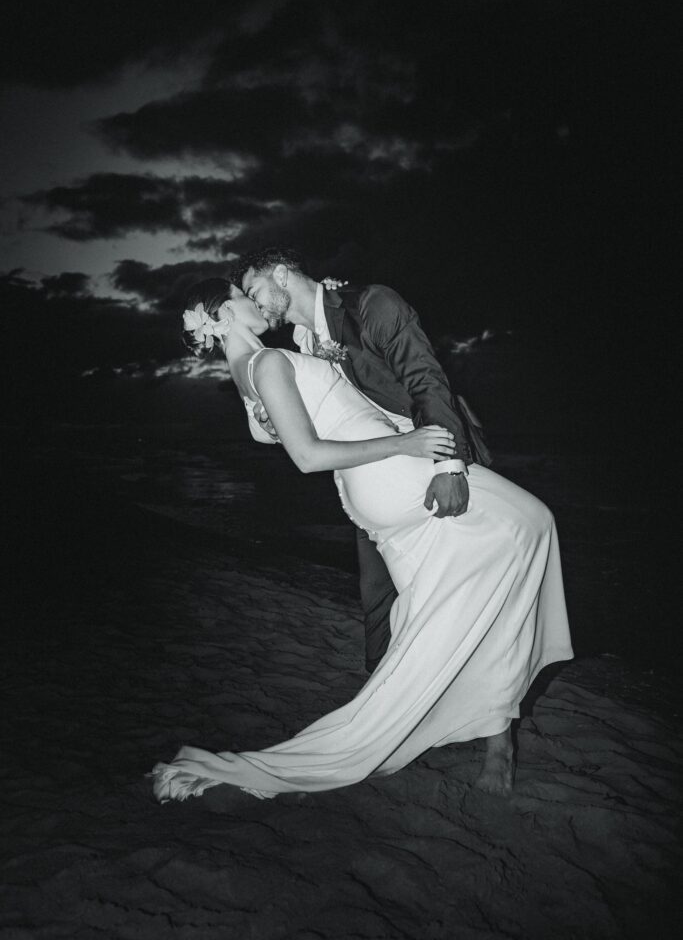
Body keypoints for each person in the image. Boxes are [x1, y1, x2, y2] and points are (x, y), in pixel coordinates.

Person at [149, 279, 573, 803]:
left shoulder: (251, 371)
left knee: (455, 602)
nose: (254, 302)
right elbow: (308, 455)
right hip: (393, 471)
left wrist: (317, 304)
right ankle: (473, 723)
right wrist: (410, 440)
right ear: (222, 313)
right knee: (530, 521)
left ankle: (485, 728)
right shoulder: (266, 365)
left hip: (372, 490)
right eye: (243, 295)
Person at [239, 246, 491, 673]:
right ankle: (381, 691)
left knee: (468, 581)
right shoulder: (299, 345)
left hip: (432, 457)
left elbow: (427, 381)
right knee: (376, 593)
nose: (254, 303)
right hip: (369, 480)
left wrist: (448, 467)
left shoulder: (371, 304)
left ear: (281, 275)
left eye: (254, 289)